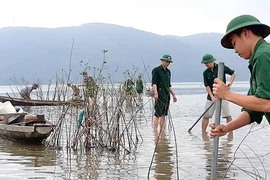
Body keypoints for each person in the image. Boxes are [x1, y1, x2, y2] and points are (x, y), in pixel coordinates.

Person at [209, 15, 270, 138]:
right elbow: (253, 110)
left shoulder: (264, 55)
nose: (235, 50)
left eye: (234, 43)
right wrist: (227, 128)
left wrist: (227, 95)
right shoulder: (259, 57)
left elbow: (266, 104)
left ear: (245, 33)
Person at [201, 54, 236, 133]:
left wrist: (230, 84)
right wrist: (212, 96)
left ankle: (230, 133)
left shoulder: (221, 67)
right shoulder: (205, 72)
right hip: (211, 96)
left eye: (207, 63)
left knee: (227, 114)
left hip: (223, 95)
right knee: (206, 115)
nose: (206, 65)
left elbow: (233, 73)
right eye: (205, 63)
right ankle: (203, 133)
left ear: (212, 61)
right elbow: (207, 86)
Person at [152, 54, 177, 132]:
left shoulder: (168, 72)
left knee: (164, 114)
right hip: (160, 94)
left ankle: (162, 130)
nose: (168, 63)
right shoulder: (156, 70)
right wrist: (155, 93)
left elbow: (169, 85)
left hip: (166, 95)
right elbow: (154, 83)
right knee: (157, 114)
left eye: (169, 62)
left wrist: (173, 95)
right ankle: (155, 131)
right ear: (162, 61)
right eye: (166, 61)